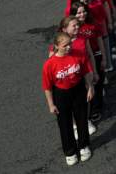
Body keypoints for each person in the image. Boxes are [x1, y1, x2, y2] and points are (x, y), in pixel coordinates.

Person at [42, 31, 95, 166]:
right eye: (65, 45)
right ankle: (70, 152)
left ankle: (84, 146)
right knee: (64, 124)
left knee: (82, 119)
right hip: (61, 94)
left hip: (78, 90)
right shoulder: (49, 64)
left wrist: (90, 87)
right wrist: (51, 104)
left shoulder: (78, 54)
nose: (69, 47)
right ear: (57, 46)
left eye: (70, 43)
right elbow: (47, 86)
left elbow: (87, 71)